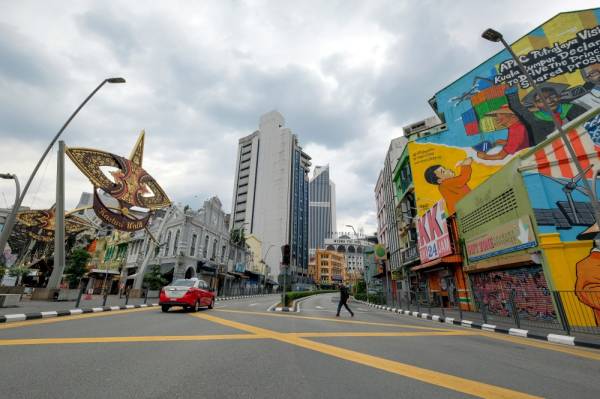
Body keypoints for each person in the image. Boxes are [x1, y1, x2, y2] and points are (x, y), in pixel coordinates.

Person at [507, 82, 587, 146]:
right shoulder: (535, 118)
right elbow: (517, 107)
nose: (549, 101)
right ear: (536, 105)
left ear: (558, 97)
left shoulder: (573, 108)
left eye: (552, 96)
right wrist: (512, 93)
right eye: (541, 100)